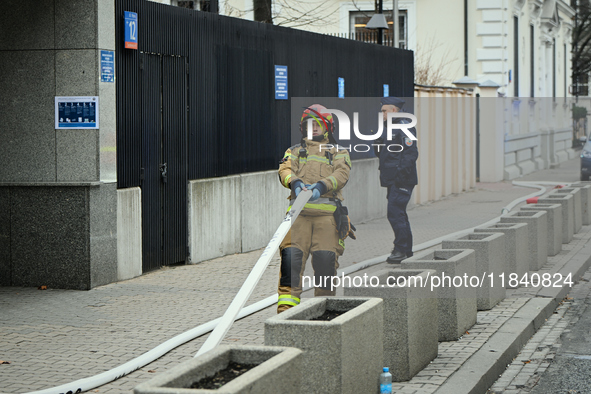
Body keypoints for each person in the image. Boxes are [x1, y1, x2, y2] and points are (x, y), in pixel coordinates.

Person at [276, 104, 352, 313]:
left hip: (326, 219)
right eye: (309, 125)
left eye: (317, 124)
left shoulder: (338, 152)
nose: (314, 128)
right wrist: (295, 182)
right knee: (290, 263)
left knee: (325, 263)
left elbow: (341, 174)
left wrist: (321, 186)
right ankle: (286, 312)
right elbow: (284, 169)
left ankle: (323, 310)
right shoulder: (294, 151)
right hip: (298, 218)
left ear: (327, 127)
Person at [375, 97, 418, 264]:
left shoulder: (404, 126)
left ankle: (400, 249)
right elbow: (384, 154)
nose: (382, 114)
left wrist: (400, 175)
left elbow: (411, 153)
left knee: (394, 212)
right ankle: (405, 249)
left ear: (394, 111)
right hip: (391, 179)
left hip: (401, 180)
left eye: (384, 111)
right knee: (399, 213)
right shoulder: (388, 128)